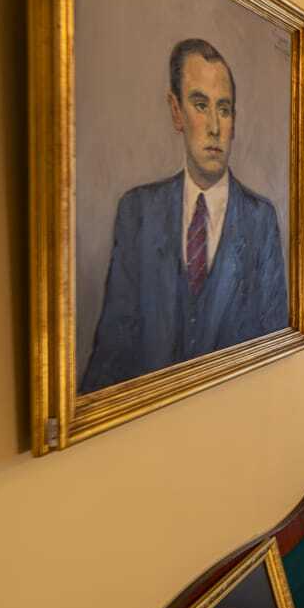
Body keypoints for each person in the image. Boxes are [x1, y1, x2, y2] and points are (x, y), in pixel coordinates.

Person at [81, 39, 287, 393]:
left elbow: (274, 361)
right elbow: (110, 356)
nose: (214, 127)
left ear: (234, 121)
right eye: (200, 105)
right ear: (176, 111)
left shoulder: (260, 221)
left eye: (224, 109)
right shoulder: (138, 213)